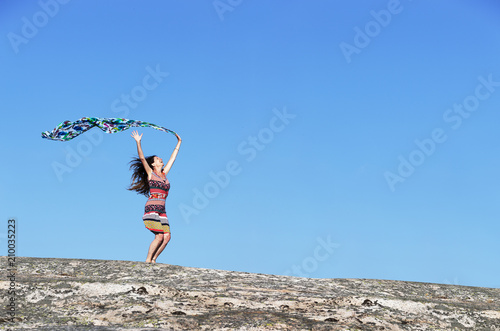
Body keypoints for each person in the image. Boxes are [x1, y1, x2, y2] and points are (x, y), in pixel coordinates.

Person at [129, 130, 182, 263]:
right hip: (152, 209)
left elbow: (173, 159)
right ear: (153, 164)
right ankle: (147, 261)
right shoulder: (151, 174)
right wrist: (138, 142)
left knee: (167, 237)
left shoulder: (164, 174)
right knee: (159, 236)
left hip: (162, 211)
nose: (160, 159)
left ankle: (154, 260)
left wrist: (179, 143)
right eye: (157, 159)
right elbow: (142, 158)